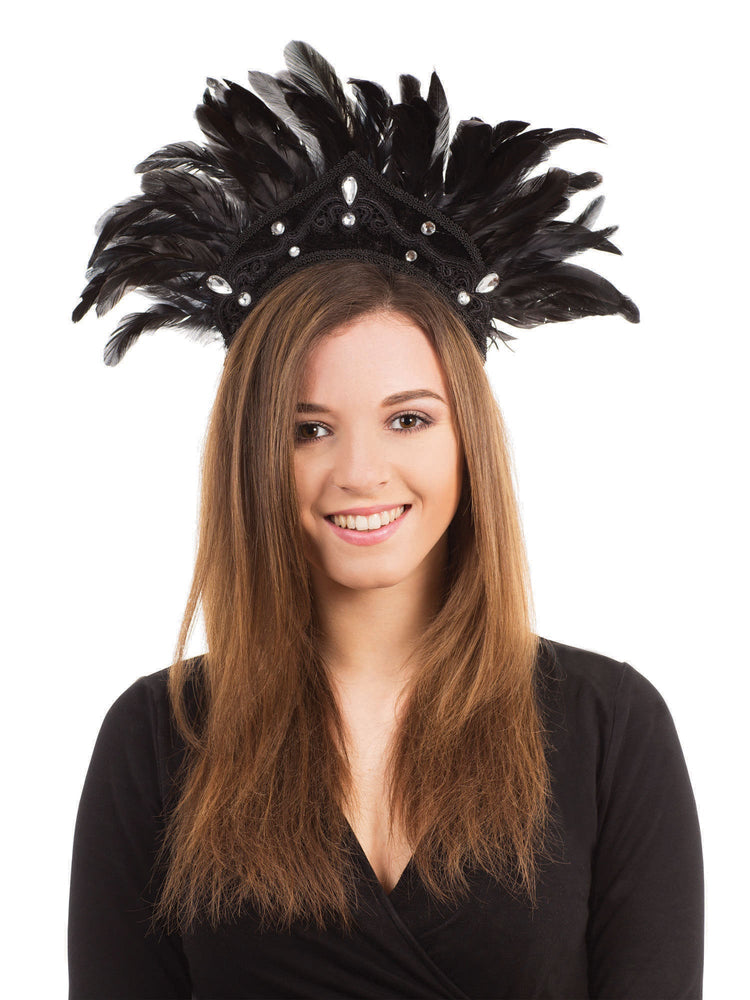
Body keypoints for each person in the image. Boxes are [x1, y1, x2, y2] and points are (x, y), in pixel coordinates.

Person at [68, 41, 704, 999]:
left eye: (408, 419)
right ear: (253, 456)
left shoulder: (611, 729)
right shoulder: (156, 740)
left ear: (466, 441)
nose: (361, 472)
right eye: (309, 429)